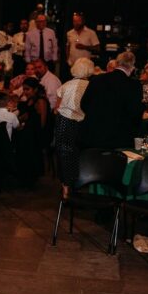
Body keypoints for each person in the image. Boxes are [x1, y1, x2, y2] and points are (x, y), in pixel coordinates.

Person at [79, 51, 142, 149]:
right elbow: (135, 113)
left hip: (92, 135)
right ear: (132, 67)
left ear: (117, 63)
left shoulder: (97, 79)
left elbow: (84, 104)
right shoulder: (134, 85)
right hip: (118, 140)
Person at [54, 57, 92, 196]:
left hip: (64, 122)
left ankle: (66, 187)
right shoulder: (91, 86)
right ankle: (81, 184)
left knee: (64, 154)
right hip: (83, 124)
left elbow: (56, 108)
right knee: (80, 154)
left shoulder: (66, 85)